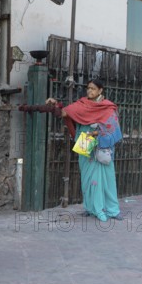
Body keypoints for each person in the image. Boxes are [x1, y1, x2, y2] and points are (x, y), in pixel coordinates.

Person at [46, 79, 123, 222]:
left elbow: (113, 127)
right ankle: (90, 208)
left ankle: (112, 210)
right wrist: (55, 104)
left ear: (100, 91)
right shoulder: (81, 104)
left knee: (107, 178)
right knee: (87, 177)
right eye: (88, 88)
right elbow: (64, 113)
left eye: (93, 89)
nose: (89, 91)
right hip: (85, 140)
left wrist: (97, 133)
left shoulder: (108, 107)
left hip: (102, 145)